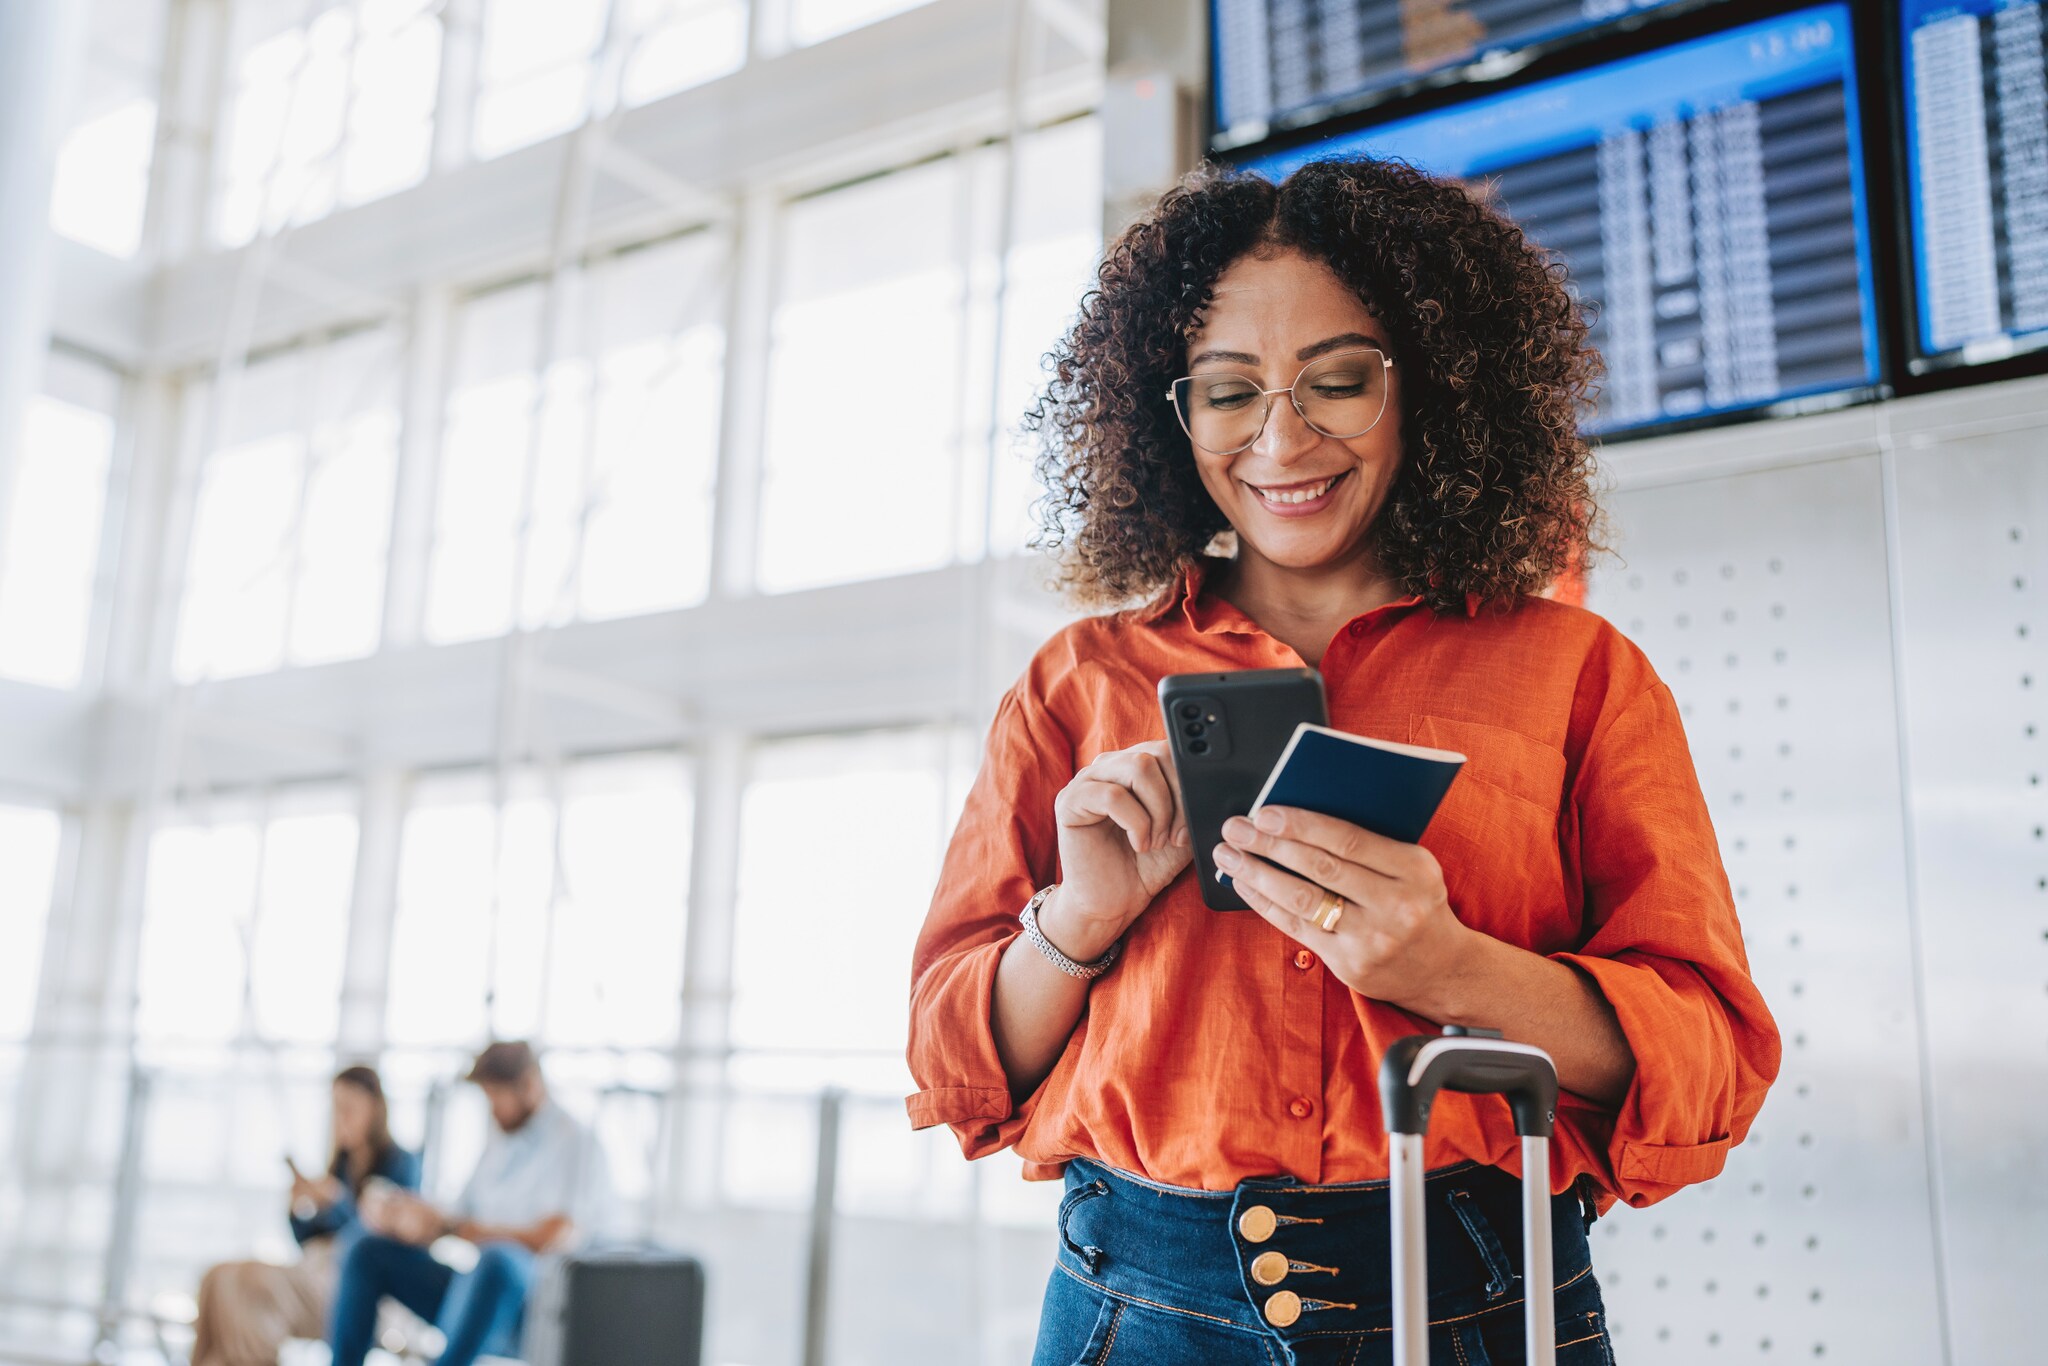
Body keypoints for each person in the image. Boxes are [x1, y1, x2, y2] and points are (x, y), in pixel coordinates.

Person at [905, 157, 1781, 1364]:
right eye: (1227, 392)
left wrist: (1450, 968)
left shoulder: (1579, 674)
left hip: (1478, 1301)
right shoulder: (1074, 681)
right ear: (1170, 416)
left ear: (1429, 385)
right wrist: (1080, 918)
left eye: (1336, 381)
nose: (1279, 439)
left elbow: (1707, 1052)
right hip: (1141, 1306)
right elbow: (954, 1057)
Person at [327, 1041, 614, 1366]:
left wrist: (468, 1230)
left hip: (536, 1309)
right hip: (478, 1294)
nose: (492, 1108)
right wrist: (411, 1215)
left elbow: (555, 1238)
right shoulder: (498, 1143)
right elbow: (456, 1217)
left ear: (530, 1085)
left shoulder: (576, 1142)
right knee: (365, 1249)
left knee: (499, 1260)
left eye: (497, 1096)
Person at [190, 1065, 418, 1366]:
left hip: (354, 1287)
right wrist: (297, 1208)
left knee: (250, 1281)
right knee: (218, 1277)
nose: (341, 1119)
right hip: (316, 1271)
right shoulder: (342, 1164)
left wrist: (337, 1202)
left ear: (374, 1109)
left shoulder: (401, 1164)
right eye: (336, 1110)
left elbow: (374, 1248)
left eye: (349, 1109)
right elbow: (309, 1240)